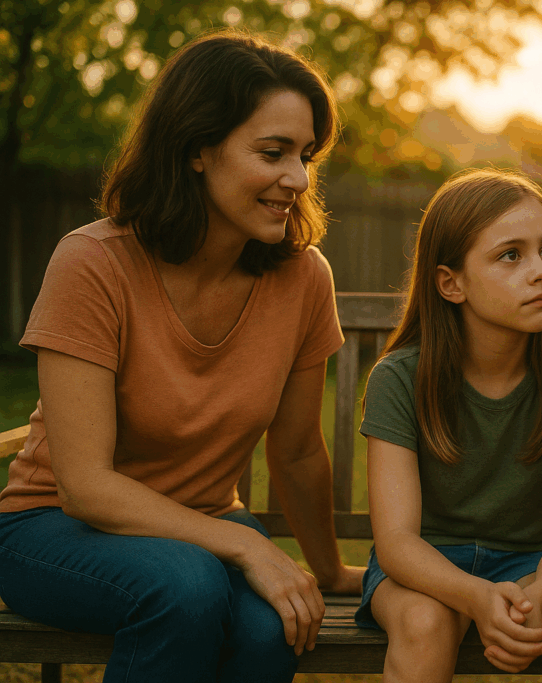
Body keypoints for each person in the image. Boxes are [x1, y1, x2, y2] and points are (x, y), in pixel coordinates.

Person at [0, 30, 364, 683]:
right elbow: (84, 485)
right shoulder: (93, 263)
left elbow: (299, 449)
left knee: (276, 623)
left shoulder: (303, 277)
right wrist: (245, 542)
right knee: (186, 585)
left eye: (306, 155)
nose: (298, 178)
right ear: (198, 149)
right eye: (274, 152)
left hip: (203, 526)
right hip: (51, 527)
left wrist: (329, 568)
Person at [355, 168, 542, 681]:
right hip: (424, 566)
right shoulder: (400, 379)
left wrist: (534, 596)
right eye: (510, 255)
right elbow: (397, 541)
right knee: (425, 623)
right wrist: (475, 596)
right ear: (451, 283)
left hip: (534, 563)